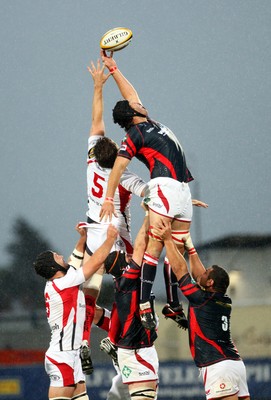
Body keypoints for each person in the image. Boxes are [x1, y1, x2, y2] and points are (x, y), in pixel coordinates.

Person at [99, 50, 195, 330]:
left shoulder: (147, 123)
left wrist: (114, 68)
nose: (140, 103)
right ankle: (144, 305)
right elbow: (118, 167)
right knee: (152, 247)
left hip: (181, 189)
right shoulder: (134, 135)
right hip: (162, 186)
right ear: (133, 113)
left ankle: (173, 304)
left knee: (175, 249)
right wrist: (108, 196)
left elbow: (131, 93)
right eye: (136, 105)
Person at [79, 59, 147, 372]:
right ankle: (117, 339)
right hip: (115, 242)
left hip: (92, 240)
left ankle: (83, 342)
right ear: (116, 156)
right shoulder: (123, 176)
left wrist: (97, 86)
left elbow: (96, 120)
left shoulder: (92, 161)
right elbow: (148, 192)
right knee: (128, 289)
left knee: (89, 294)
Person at [153, 221, 250, 400]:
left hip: (218, 366)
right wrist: (190, 248)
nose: (201, 273)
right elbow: (199, 277)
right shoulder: (224, 300)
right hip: (235, 365)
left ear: (211, 283)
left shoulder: (201, 299)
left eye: (207, 273)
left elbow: (180, 269)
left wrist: (168, 240)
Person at [33, 223, 118, 400]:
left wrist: (82, 238)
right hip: (62, 355)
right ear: (53, 268)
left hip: (73, 354)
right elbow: (94, 263)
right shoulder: (64, 283)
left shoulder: (62, 280)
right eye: (57, 256)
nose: (62, 256)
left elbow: (74, 259)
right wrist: (110, 239)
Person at [101, 214, 159, 400]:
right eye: (124, 257)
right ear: (121, 265)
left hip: (135, 348)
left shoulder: (123, 282)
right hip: (137, 349)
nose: (129, 257)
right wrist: (149, 215)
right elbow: (141, 244)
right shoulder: (127, 279)